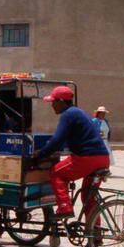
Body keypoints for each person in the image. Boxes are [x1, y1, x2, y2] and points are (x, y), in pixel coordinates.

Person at [34, 86, 109, 220]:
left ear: (61, 101)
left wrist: (41, 154)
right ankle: (94, 233)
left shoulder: (68, 114)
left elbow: (57, 140)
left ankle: (64, 207)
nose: (52, 105)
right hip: (103, 157)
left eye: (53, 102)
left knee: (56, 173)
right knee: (88, 195)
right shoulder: (78, 112)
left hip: (87, 158)